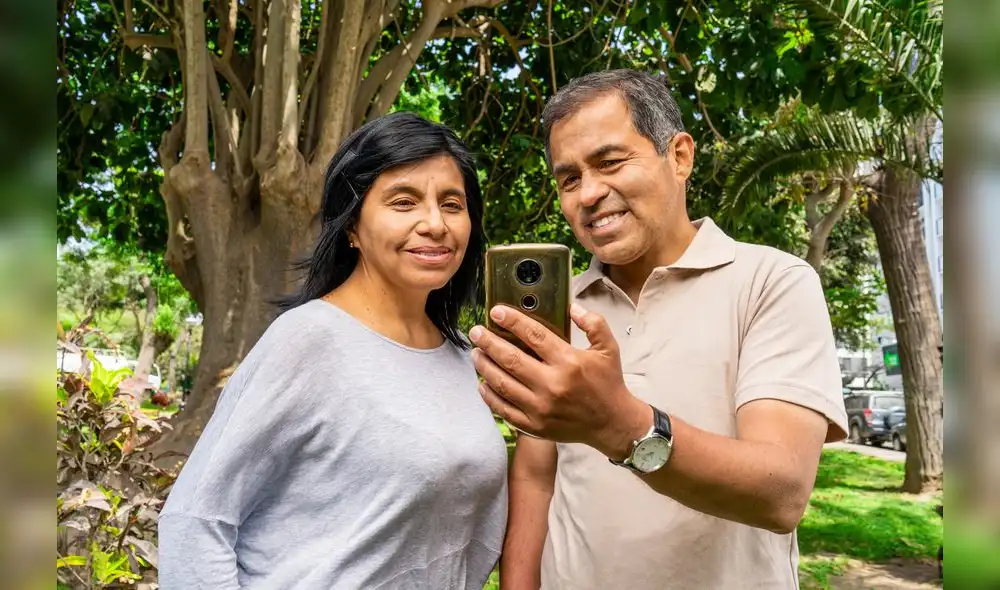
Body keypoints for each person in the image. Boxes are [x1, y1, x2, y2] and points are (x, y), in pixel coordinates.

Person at [468, 69, 850, 589]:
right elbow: (537, 478)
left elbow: (782, 494)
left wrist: (618, 423)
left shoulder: (772, 282)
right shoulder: (558, 314)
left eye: (609, 162)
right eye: (569, 178)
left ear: (680, 156)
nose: (588, 194)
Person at [158, 112, 509, 589]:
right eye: (403, 202)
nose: (434, 223)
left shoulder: (465, 358)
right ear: (352, 227)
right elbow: (195, 520)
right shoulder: (309, 340)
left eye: (452, 203)